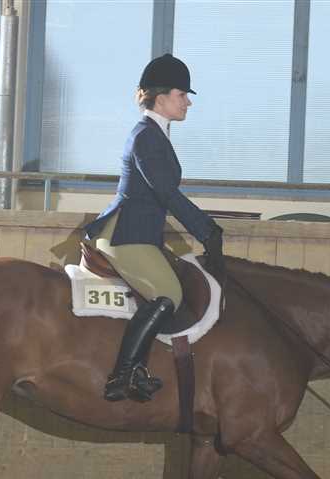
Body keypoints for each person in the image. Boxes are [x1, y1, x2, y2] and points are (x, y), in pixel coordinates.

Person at [83, 53, 224, 403]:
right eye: (182, 95)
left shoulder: (155, 135)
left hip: (141, 232)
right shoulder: (146, 136)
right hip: (125, 234)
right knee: (169, 294)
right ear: (161, 98)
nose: (188, 102)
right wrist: (206, 230)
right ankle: (123, 375)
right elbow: (165, 191)